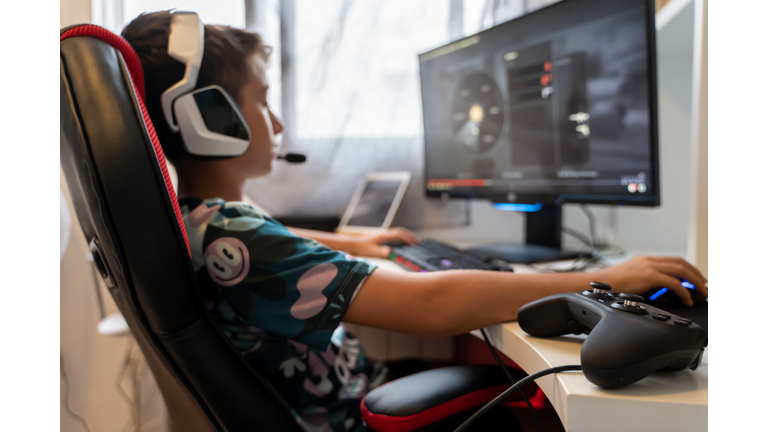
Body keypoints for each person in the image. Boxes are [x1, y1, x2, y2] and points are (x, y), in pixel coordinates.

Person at [122, 11, 708, 432]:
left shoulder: (203, 223)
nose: (275, 123)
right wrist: (600, 279)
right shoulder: (240, 240)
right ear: (209, 118)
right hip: (351, 414)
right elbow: (430, 304)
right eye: (262, 99)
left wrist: (351, 239)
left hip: (343, 391)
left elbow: (273, 235)